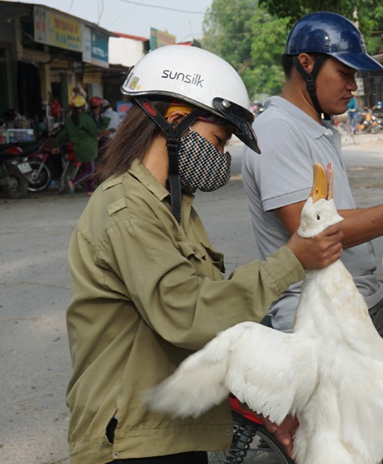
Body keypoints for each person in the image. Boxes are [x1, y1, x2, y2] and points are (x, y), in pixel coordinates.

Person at [64, 44, 343, 464]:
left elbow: (212, 327)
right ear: (176, 122)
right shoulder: (128, 211)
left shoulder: (173, 209)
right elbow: (188, 314)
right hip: (132, 442)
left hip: (170, 430)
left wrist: (261, 405)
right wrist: (292, 259)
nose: (222, 155)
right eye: (218, 139)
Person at [241, 12, 383, 464]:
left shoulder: (316, 128)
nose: (353, 86)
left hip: (358, 304)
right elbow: (315, 232)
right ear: (305, 63)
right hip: (325, 321)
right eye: (344, 73)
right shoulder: (278, 131)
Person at [55, 95, 99, 196]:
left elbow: (63, 134)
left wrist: (55, 144)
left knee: (87, 168)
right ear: (83, 107)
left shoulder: (70, 120)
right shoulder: (86, 118)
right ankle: (73, 183)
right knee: (90, 170)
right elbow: (93, 131)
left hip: (77, 148)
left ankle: (90, 190)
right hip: (88, 148)